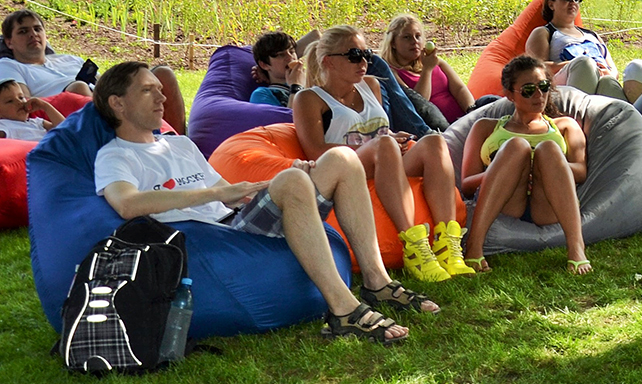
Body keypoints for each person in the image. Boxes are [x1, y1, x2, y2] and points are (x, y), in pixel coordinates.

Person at [93, 62, 434, 344]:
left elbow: (234, 193)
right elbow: (127, 204)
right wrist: (216, 194)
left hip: (239, 220)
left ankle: (378, 283)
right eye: (147, 90)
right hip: (215, 236)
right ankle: (344, 310)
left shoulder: (180, 145)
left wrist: (285, 184)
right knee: (294, 180)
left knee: (343, 158)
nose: (162, 96)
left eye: (160, 88)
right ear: (118, 104)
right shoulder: (115, 156)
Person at [292, 26, 473, 283]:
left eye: (366, 53)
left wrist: (394, 138)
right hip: (347, 169)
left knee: (434, 141)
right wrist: (378, 145)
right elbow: (316, 151)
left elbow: (377, 129)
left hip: (386, 161)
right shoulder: (310, 98)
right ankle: (414, 246)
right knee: (384, 144)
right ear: (328, 61)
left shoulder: (371, 85)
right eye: (354, 54)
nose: (364, 61)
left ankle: (447, 244)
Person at [459, 56, 591, 274]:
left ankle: (576, 248)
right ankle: (474, 246)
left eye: (544, 86)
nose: (539, 95)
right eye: (529, 89)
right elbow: (466, 183)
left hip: (548, 204)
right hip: (505, 203)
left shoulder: (565, 126)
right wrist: (504, 171)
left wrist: (539, 168)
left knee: (548, 149)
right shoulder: (485, 128)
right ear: (510, 94)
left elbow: (580, 170)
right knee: (516, 147)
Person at [0, 9, 190, 134]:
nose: (33, 34)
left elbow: (105, 83)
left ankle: (179, 141)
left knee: (163, 74)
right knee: (78, 86)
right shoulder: (8, 65)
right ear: (9, 42)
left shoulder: (69, 59)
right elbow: (22, 104)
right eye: (23, 31)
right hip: (72, 113)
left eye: (37, 29)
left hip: (104, 100)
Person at [524, 0, 632, 99]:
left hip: (600, 80)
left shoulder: (592, 34)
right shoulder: (545, 32)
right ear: (551, 5)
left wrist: (609, 73)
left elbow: (613, 69)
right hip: (565, 86)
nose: (573, 3)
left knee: (608, 82)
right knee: (585, 64)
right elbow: (537, 68)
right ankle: (575, 112)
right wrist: (574, 64)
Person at [384, 13, 475, 124]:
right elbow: (420, 105)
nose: (414, 41)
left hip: (464, 119)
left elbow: (460, 89)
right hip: (440, 128)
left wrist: (472, 112)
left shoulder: (436, 62)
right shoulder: (392, 72)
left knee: (492, 100)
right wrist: (427, 70)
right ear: (393, 43)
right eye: (407, 37)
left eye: (418, 36)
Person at [0, 75, 64, 141]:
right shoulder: (3, 125)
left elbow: (66, 129)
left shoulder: (36, 122)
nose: (19, 102)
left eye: (21, 97)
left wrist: (46, 107)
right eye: (10, 101)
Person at [248, 31, 304, 107]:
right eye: (281, 55)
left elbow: (315, 35)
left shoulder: (310, 81)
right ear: (264, 65)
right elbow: (288, 118)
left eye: (292, 51)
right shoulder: (262, 94)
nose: (290, 57)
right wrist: (296, 86)